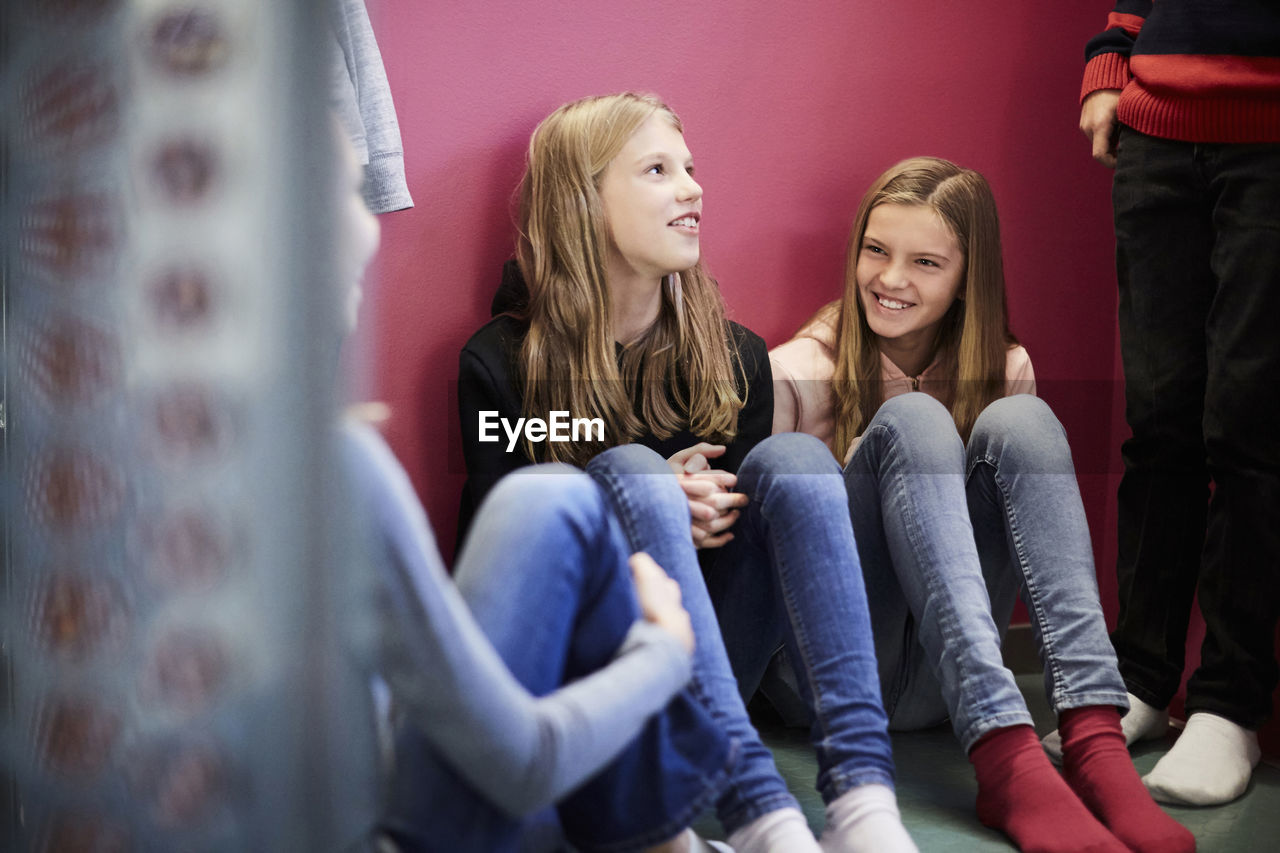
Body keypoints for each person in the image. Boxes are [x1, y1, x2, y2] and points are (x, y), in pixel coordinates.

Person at [457, 92, 915, 853]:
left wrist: (700, 512)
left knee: (797, 460)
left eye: (691, 168)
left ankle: (865, 802)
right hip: (581, 694)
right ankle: (759, 810)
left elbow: (742, 562)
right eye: (658, 170)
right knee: (630, 471)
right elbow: (503, 567)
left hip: (709, 676)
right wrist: (642, 501)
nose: (693, 188)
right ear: (583, 202)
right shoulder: (500, 365)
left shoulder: (734, 356)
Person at [326, 116, 734, 853]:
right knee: (559, 495)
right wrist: (666, 649)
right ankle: (682, 836)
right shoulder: (355, 453)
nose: (693, 189)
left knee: (551, 496)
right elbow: (520, 758)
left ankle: (682, 838)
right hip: (395, 823)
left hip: (371, 773)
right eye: (344, 192)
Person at [769, 157, 1194, 853]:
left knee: (1022, 424)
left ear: (969, 278)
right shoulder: (796, 371)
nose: (891, 278)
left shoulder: (1004, 367)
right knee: (914, 422)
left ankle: (1094, 739)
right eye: (875, 250)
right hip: (830, 677)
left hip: (945, 683)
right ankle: (1004, 754)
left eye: (926, 262)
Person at [1067, 0, 1280, 807]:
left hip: (1270, 137)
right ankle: (1140, 679)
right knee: (1159, 422)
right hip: (1156, 131)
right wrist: (1110, 57)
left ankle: (1229, 703)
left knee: (1251, 431)